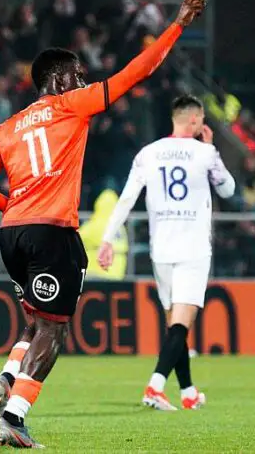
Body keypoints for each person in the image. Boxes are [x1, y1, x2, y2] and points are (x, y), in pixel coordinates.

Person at [0, 0, 205, 448]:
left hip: (12, 234)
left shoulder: (9, 126)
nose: (84, 78)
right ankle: (13, 416)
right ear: (62, 79)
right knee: (54, 331)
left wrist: (8, 203)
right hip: (51, 232)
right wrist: (175, 27)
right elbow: (137, 72)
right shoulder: (72, 105)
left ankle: (9, 378)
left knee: (34, 322)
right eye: (79, 72)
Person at [96, 95, 235, 411]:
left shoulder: (149, 153)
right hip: (193, 247)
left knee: (175, 325)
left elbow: (127, 199)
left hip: (162, 250)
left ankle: (187, 392)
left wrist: (107, 239)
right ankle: (155, 386)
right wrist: (214, 152)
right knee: (181, 326)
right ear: (196, 121)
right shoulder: (205, 152)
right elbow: (229, 189)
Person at [79, 189, 128, 279]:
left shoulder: (96, 224)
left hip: (98, 275)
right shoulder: (121, 228)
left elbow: (75, 240)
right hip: (118, 275)